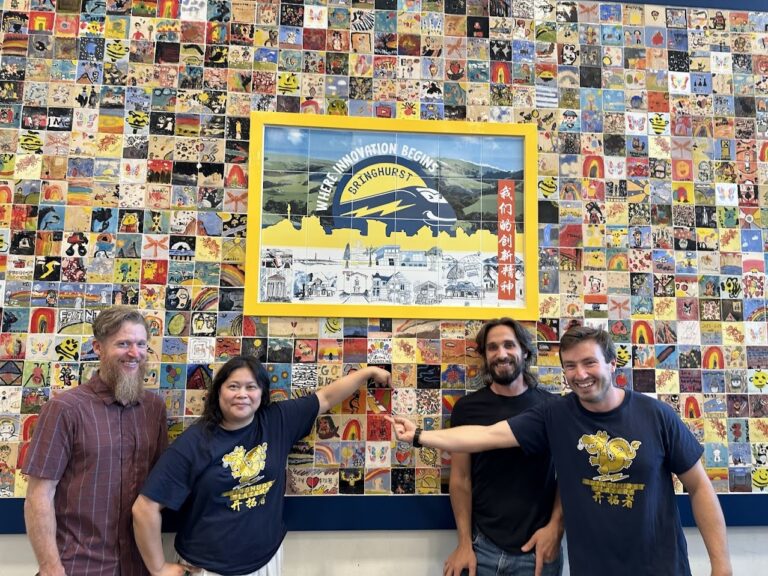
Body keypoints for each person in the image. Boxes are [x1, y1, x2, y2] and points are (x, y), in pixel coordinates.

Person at [390, 326, 732, 576]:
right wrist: (420, 436)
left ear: (612, 364)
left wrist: (721, 566)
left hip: (661, 567)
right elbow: (486, 435)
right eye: (570, 366)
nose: (579, 374)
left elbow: (700, 486)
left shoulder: (656, 415)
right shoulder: (556, 415)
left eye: (589, 363)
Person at [133, 357, 390, 576]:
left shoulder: (277, 420)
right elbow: (145, 508)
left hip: (265, 561)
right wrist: (157, 568)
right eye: (233, 386)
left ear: (261, 393)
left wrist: (367, 372)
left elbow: (326, 397)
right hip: (207, 567)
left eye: (251, 387)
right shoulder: (196, 441)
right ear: (218, 392)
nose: (242, 394)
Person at [23, 306, 167, 576]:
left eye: (141, 344)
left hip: (140, 566)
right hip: (80, 565)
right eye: (122, 344)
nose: (134, 353)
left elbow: (160, 489)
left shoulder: (154, 409)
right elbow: (38, 496)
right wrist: (50, 566)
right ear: (98, 348)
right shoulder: (65, 408)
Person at [445, 318, 563, 576]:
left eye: (509, 345)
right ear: (484, 355)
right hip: (480, 549)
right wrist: (464, 543)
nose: (501, 354)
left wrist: (556, 528)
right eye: (492, 347)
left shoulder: (553, 408)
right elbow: (460, 478)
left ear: (524, 351)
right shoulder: (467, 408)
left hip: (539, 552)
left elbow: (569, 475)